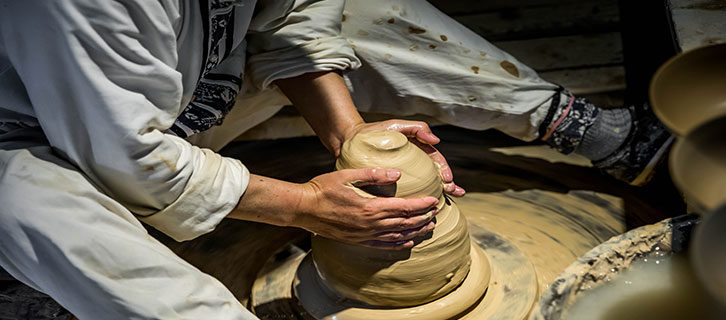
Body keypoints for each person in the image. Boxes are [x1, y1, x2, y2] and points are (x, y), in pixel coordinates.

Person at [0, 0, 671, 318]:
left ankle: (594, 133)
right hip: (31, 141)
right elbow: (125, 153)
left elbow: (295, 18)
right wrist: (305, 206)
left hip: (176, 99)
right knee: (75, 239)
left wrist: (352, 137)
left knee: (368, 11)